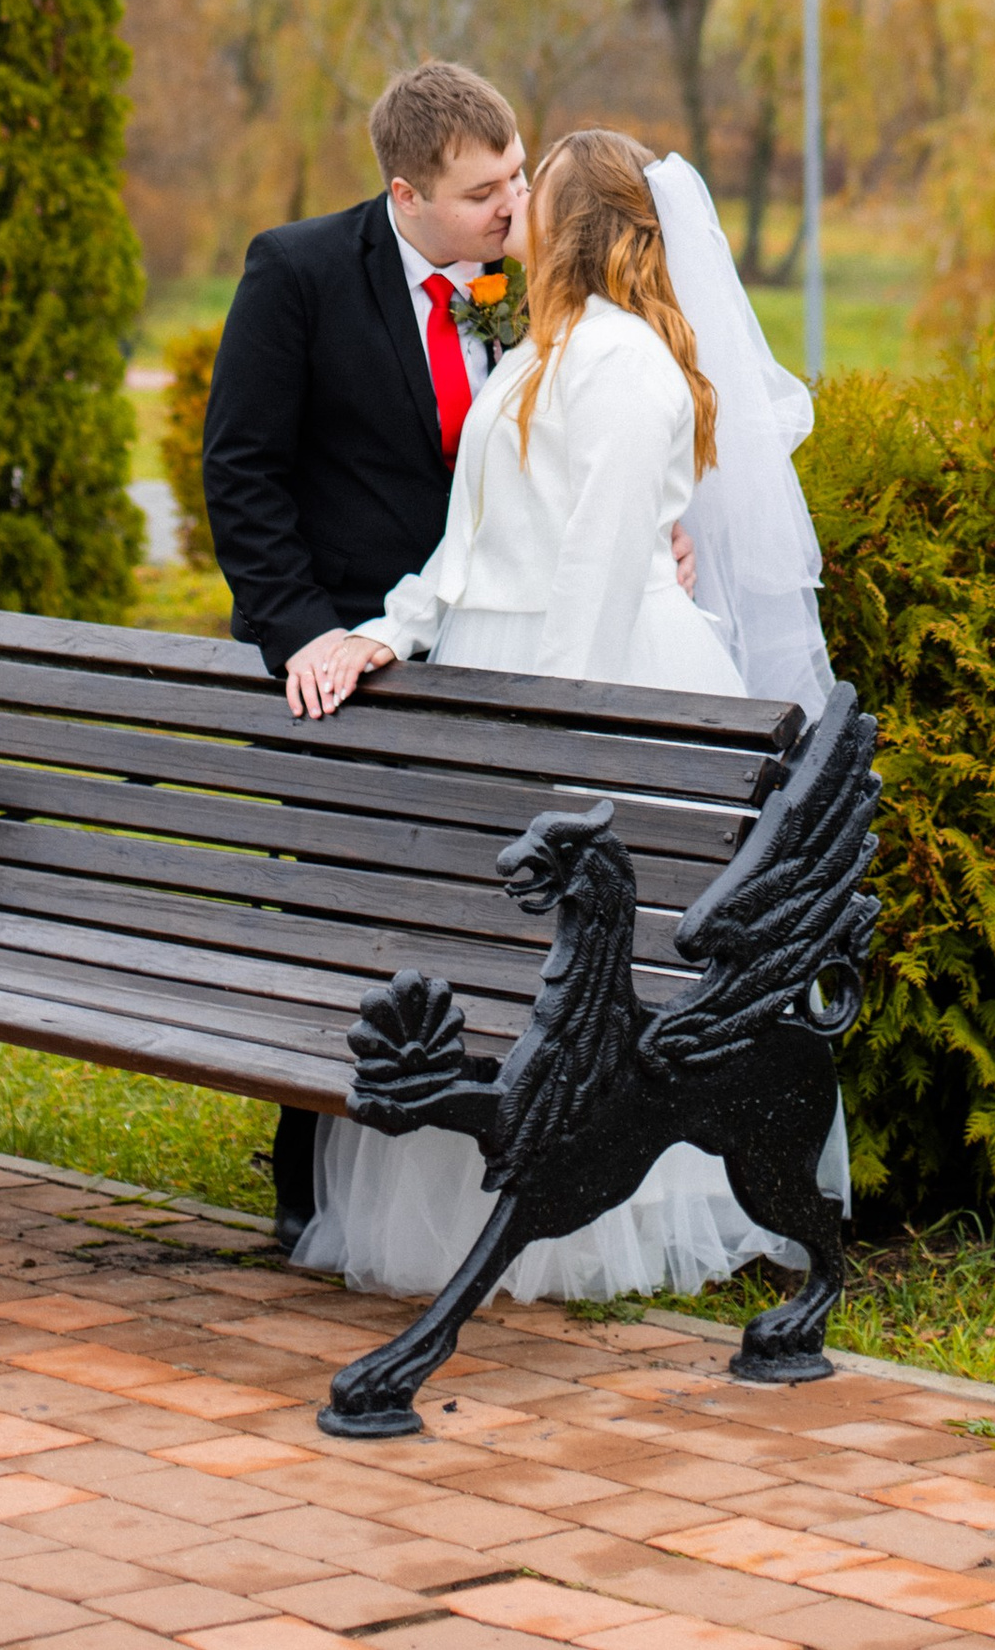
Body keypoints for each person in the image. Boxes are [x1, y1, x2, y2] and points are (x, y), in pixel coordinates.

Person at [281, 124, 840, 1308]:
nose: (509, 200)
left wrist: (550, 744)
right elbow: (470, 545)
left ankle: (587, 1226)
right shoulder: (539, 347)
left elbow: (589, 585)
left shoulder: (627, 366)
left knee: (589, 977)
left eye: (527, 186)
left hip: (597, 682)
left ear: (572, 217)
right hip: (499, 665)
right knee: (489, 969)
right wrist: (392, 628)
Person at [203, 61, 695, 1243]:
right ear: (405, 190)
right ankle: (310, 1174)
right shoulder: (300, 272)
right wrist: (316, 632)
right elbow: (243, 473)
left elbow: (577, 462)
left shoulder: (537, 302)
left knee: (475, 929)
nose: (511, 207)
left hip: (488, 651)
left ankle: (493, 1161)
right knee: (351, 917)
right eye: (483, 191)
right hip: (355, 662)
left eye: (520, 178)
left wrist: (646, 539)